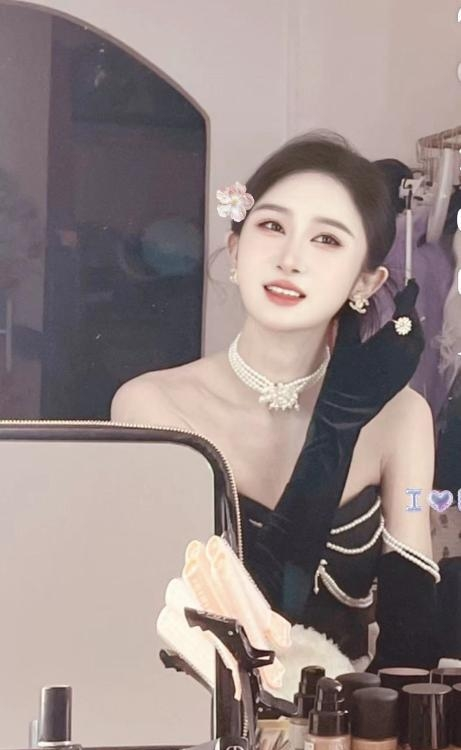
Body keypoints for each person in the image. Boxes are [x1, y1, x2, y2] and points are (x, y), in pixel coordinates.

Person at [111, 131, 440, 671]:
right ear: (236, 248)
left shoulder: (401, 418)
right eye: (272, 226)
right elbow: (233, 636)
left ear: (366, 281)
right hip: (201, 711)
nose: (291, 258)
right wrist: (336, 426)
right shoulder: (153, 408)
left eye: (327, 239)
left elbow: (412, 631)